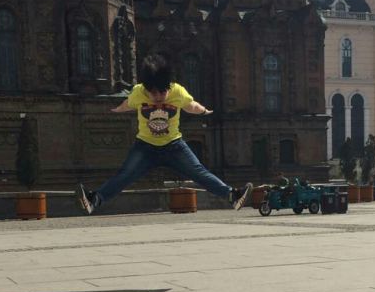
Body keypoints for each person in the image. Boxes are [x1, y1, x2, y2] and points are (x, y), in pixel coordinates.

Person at [78, 54, 253, 214]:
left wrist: (204, 111)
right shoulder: (138, 92)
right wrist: (114, 109)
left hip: (174, 146)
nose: (158, 97)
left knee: (198, 172)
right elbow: (127, 104)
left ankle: (233, 196)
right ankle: (94, 200)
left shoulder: (177, 91)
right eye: (153, 93)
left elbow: (191, 105)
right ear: (146, 88)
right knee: (125, 175)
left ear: (168, 86)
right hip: (145, 147)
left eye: (162, 92)